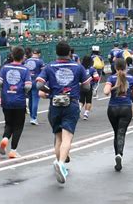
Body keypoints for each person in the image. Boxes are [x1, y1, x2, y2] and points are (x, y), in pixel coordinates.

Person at [36, 41, 91, 184]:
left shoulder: (50, 66)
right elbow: (87, 87)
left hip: (54, 104)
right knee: (67, 137)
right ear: (69, 53)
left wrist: (51, 91)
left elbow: (39, 85)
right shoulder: (78, 67)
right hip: (71, 103)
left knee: (58, 137)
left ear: (56, 53)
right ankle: (60, 163)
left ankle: (58, 161)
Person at [0, 46, 32, 158]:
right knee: (18, 126)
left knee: (8, 123)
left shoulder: (5, 67)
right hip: (19, 100)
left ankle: (5, 138)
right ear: (22, 57)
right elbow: (28, 86)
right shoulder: (25, 70)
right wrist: (21, 90)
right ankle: (13, 150)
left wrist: (6, 88)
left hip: (6, 100)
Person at [104, 58, 133, 171]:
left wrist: (114, 88)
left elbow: (105, 92)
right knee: (121, 133)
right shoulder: (131, 79)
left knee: (115, 132)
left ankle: (116, 154)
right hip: (126, 108)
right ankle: (119, 154)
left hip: (113, 108)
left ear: (115, 67)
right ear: (126, 67)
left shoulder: (111, 78)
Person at [24, 48, 45, 125]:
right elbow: (43, 72)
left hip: (28, 81)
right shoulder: (40, 61)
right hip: (36, 81)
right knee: (35, 99)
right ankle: (34, 117)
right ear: (39, 54)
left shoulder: (27, 61)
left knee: (30, 99)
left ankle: (31, 117)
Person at [79, 55, 100, 120]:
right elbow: (96, 78)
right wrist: (93, 81)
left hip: (81, 85)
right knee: (88, 100)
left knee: (81, 100)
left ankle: (79, 108)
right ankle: (86, 114)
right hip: (89, 86)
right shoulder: (92, 69)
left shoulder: (80, 68)